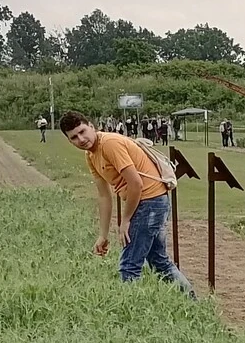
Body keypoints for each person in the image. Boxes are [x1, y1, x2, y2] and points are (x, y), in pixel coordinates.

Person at [58, 110, 193, 293]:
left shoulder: (109, 144)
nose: (81, 139)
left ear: (91, 126)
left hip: (150, 201)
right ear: (69, 141)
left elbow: (136, 183)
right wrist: (103, 235)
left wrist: (126, 219)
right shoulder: (90, 155)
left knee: (129, 267)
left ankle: (130, 312)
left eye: (82, 131)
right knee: (159, 261)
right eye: (74, 137)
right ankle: (191, 302)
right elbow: (104, 196)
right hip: (149, 202)